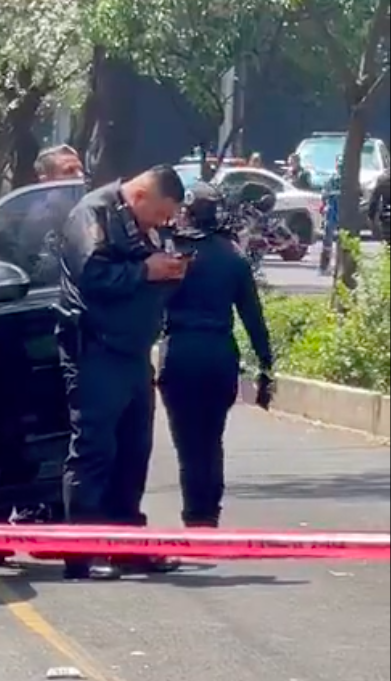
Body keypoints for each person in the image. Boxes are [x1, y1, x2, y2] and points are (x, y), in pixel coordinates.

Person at [56, 165, 189, 581]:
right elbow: (93, 276)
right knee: (95, 452)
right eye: (162, 214)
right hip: (96, 350)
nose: (163, 223)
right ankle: (83, 551)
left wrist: (168, 269)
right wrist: (146, 271)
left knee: (134, 451)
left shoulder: (141, 224)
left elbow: (144, 273)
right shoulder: (93, 214)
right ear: (141, 196)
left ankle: (126, 544)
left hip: (133, 354)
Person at [159, 182, 274, 530]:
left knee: (187, 442)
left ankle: (195, 515)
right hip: (220, 355)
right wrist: (266, 366)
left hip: (179, 353)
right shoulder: (233, 256)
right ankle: (210, 514)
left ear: (187, 211)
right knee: (212, 437)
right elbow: (254, 319)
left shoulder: (171, 254)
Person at [367, 167, 390, 240]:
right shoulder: (383, 179)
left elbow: (374, 199)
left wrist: (371, 215)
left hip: (386, 213)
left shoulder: (382, 179)